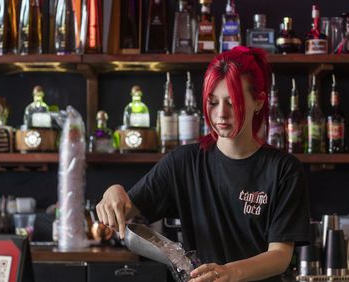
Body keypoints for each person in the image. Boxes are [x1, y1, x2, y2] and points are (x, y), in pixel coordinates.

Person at [96, 46, 310, 282]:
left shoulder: (283, 170)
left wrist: (229, 272)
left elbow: (280, 256)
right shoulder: (184, 163)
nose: (221, 114)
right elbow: (126, 210)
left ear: (258, 102)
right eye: (213, 102)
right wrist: (113, 191)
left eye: (232, 102)